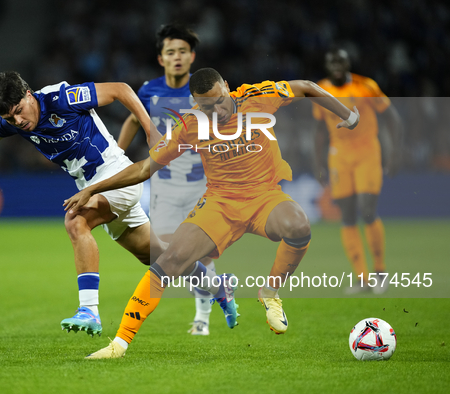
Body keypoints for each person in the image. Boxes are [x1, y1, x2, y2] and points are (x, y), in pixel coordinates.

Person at [64, 67, 360, 358]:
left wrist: (347, 114)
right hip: (220, 204)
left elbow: (307, 85)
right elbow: (144, 168)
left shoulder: (259, 96)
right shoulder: (191, 124)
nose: (216, 109)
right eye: (206, 105)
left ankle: (270, 292)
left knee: (298, 226)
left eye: (219, 100)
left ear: (227, 87)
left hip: (264, 196)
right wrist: (93, 189)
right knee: (169, 261)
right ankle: (119, 345)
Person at [0, 71, 166, 337]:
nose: (18, 121)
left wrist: (150, 131)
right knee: (159, 257)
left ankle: (89, 310)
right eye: (10, 118)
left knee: (75, 221)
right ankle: (208, 278)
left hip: (117, 177)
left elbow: (121, 89)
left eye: (20, 110)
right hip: (94, 189)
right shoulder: (13, 122)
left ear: (29, 94)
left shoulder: (63, 98)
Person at [118, 23, 215, 336]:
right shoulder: (149, 91)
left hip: (203, 184)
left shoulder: (205, 90)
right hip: (164, 186)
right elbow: (134, 118)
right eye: (170, 52)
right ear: (161, 58)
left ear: (192, 57)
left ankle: (202, 316)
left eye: (183, 52)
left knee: (198, 249)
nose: (177, 57)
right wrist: (119, 154)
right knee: (166, 254)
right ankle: (214, 286)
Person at [313, 49, 402, 294]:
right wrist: (318, 163)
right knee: (348, 216)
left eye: (341, 61)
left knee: (367, 209)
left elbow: (393, 118)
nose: (337, 65)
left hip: (367, 154)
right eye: (332, 61)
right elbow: (320, 129)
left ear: (349, 62)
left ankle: (380, 272)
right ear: (327, 65)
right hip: (338, 157)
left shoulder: (366, 86)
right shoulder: (320, 89)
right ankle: (362, 279)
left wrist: (394, 153)